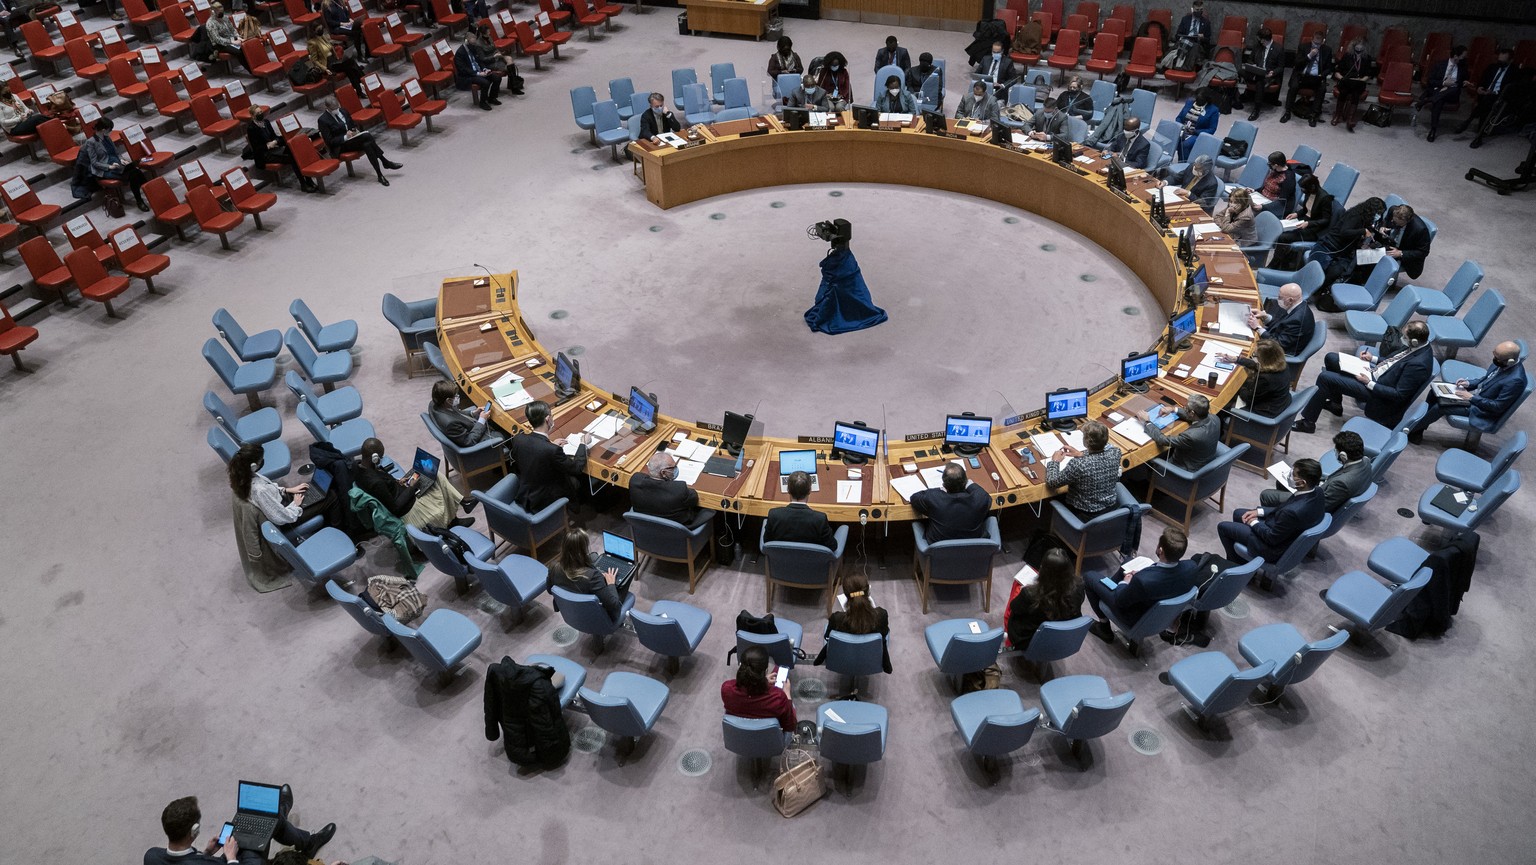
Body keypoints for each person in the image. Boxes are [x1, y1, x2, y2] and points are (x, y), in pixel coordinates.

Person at [1292, 319, 1434, 434]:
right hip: (1374, 374)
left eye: (1404, 337)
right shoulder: (1416, 346)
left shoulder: (1419, 365)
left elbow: (1398, 395)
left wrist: (1368, 383)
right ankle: (1335, 404)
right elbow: (1395, 362)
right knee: (1331, 358)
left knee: (1325, 378)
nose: (1402, 339)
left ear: (1414, 341)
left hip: (1378, 393)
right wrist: (1372, 359)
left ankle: (1308, 423)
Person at [144, 794, 335, 865]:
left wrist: (207, 852)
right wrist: (232, 857)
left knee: (263, 823)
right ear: (194, 830)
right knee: (266, 823)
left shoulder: (151, 856)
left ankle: (280, 813)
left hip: (214, 859)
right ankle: (285, 818)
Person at [1084, 527, 1200, 641]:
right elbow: (1164, 578)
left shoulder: (1142, 581)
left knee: (1089, 577)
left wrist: (1125, 582)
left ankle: (1104, 627)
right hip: (1160, 612)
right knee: (1128, 562)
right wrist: (1145, 573)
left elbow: (1120, 600)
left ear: (1160, 550)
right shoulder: (1192, 567)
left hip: (1135, 616)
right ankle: (1107, 588)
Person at [1408, 340, 1528, 444]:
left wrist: (1471, 397)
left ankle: (1411, 430)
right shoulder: (1503, 362)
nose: (1494, 360)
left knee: (1440, 406)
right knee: (1435, 391)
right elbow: (1487, 378)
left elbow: (1497, 407)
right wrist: (1469, 384)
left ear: (1511, 361)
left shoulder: (1515, 381)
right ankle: (1419, 429)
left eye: (1497, 358)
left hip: (1482, 410)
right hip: (1476, 396)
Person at [1218, 458, 1326, 563]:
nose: (1289, 475)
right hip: (1283, 530)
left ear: (1302, 483)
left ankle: (1236, 566)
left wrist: (1254, 522)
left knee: (1223, 527)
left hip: (1271, 547)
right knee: (1238, 513)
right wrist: (1259, 512)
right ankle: (1242, 559)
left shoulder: (1293, 512)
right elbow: (1284, 507)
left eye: (1293, 475)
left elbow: (1271, 538)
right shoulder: (1317, 491)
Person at [352, 437, 470, 531]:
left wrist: (398, 481)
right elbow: (396, 509)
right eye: (381, 457)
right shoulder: (375, 482)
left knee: (433, 474)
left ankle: (460, 507)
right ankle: (455, 517)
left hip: (401, 489)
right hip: (408, 509)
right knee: (435, 480)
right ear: (374, 458)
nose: (381, 460)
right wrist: (412, 487)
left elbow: (386, 485)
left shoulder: (359, 466)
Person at [507, 399, 591, 513]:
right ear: (547, 419)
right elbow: (576, 468)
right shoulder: (552, 450)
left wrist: (549, 445)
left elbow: (533, 451)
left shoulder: (518, 439)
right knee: (577, 480)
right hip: (545, 499)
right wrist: (583, 444)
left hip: (526, 492)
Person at [229, 441, 334, 530]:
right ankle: (336, 528)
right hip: (288, 516)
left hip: (283, 502)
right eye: (261, 460)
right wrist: (295, 504)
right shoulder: (259, 490)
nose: (263, 461)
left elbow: (269, 488)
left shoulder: (243, 475)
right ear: (253, 466)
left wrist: (288, 490)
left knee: (312, 491)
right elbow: (281, 518)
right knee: (331, 497)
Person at [1260, 431, 1371, 512]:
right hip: (1323, 489)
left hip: (1313, 502)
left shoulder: (1342, 483)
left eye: (1336, 450)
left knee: (1267, 495)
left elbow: (1318, 506)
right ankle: (1282, 512)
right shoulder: (1365, 461)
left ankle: (1277, 519)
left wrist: (1306, 490)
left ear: (1343, 456)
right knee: (1283, 481)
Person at [1006, 548, 1084, 649]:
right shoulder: (1079, 586)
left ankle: (1009, 645)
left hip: (1028, 640)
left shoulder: (1030, 593)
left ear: (1043, 570)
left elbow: (1014, 608)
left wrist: (1021, 591)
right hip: (1061, 638)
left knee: (1017, 587)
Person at [811, 572, 891, 672]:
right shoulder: (881, 615)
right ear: (868, 592)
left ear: (846, 595)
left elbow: (827, 637)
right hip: (870, 657)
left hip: (843, 657)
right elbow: (884, 634)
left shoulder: (836, 619)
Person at [316, 95, 401, 186]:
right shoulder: (323, 120)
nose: (336, 110)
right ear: (327, 107)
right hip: (340, 146)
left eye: (337, 107)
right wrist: (345, 137)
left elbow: (352, 125)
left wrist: (354, 131)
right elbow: (329, 141)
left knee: (367, 145)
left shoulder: (343, 111)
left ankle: (380, 175)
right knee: (367, 136)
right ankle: (385, 161)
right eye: (334, 108)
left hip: (354, 140)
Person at [547, 527, 627, 624]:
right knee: (624, 581)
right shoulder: (592, 577)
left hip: (572, 613)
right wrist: (611, 584)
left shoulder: (553, 567)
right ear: (582, 550)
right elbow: (613, 605)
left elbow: (550, 590)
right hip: (596, 618)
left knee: (594, 557)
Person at [1045, 419, 1121, 519]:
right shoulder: (1116, 452)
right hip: (1110, 506)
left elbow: (1052, 483)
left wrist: (1054, 462)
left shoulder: (1079, 464)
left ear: (1086, 441)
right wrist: (1081, 454)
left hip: (1085, 513)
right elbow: (1101, 453)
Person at [1307, 196, 1385, 288]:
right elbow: (1344, 232)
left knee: (1342, 270)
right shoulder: (1355, 215)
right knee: (1319, 275)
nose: (1378, 216)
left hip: (1341, 252)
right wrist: (1363, 231)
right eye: (1378, 213)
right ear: (1371, 210)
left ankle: (1321, 291)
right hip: (1328, 247)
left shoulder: (1365, 218)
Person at [721, 645, 796, 732]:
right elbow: (790, 726)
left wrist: (764, 681)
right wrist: (787, 694)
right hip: (768, 740)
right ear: (765, 671)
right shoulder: (778, 697)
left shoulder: (727, 689)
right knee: (790, 705)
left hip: (738, 738)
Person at [910, 461, 990, 542]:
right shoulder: (980, 498)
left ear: (944, 484)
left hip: (939, 548)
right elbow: (986, 498)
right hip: (976, 548)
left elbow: (914, 498)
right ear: (965, 482)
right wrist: (971, 485)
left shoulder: (934, 497)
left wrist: (940, 490)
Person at [630, 451, 712, 528]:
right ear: (663, 473)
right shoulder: (678, 490)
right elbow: (694, 498)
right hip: (677, 532)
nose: (675, 469)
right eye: (673, 468)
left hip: (645, 528)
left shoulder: (635, 481)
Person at [80, 118, 148, 212]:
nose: (111, 132)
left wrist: (121, 160)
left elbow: (116, 153)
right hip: (104, 169)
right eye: (110, 130)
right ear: (103, 130)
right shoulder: (90, 142)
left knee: (136, 171)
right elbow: (94, 163)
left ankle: (148, 192)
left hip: (117, 164)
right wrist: (109, 166)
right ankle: (141, 200)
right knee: (134, 174)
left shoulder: (107, 138)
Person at [245, 105, 317, 193]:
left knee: (296, 153)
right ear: (253, 116)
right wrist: (268, 146)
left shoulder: (266, 122)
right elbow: (256, 148)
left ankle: (309, 180)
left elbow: (274, 136)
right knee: (293, 158)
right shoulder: (251, 128)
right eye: (258, 113)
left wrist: (275, 141)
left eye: (261, 112)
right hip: (264, 155)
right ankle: (303, 184)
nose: (260, 114)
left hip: (275, 148)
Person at [1139, 393, 1219, 471]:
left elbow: (1162, 440)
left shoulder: (1192, 436)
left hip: (1186, 468)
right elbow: (1193, 417)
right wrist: (1173, 409)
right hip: (1202, 457)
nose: (1184, 408)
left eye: (1186, 408)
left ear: (1192, 413)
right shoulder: (1215, 419)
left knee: (1150, 459)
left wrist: (1147, 422)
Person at [1220, 338, 1292, 418]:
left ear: (1264, 359)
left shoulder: (1266, 379)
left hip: (1265, 412)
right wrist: (1237, 360)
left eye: (1254, 355)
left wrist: (1237, 386)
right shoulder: (1280, 364)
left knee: (1223, 405)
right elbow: (1257, 365)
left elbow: (1249, 399)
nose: (1253, 357)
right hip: (1279, 402)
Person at [1274, 173, 1334, 267]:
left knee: (1283, 237)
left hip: (1314, 228)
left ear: (1312, 186)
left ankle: (1276, 263)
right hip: (1303, 221)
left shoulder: (1325, 198)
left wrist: (1308, 224)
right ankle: (1281, 262)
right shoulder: (1308, 193)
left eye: (1304, 188)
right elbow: (1306, 209)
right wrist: (1296, 214)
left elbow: (1326, 220)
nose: (1302, 191)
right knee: (1280, 229)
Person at [764, 470, 835, 548]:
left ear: (788, 490)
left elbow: (767, 541)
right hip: (811, 559)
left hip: (780, 558)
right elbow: (832, 546)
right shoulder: (820, 519)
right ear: (809, 490)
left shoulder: (774, 515)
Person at [1462, 47, 1515, 145]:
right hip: (1486, 94)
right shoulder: (1492, 67)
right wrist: (1480, 88)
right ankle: (1479, 134)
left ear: (1510, 61)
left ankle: (1470, 122)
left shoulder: (1515, 72)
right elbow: (1482, 80)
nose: (1500, 64)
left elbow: (1512, 91)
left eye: (1503, 62)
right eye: (1499, 61)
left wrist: (1495, 93)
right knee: (1486, 101)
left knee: (1487, 101)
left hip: (1500, 97)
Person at [1367, 203, 1433, 281]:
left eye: (1396, 223)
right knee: (1364, 255)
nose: (1392, 222)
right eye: (1393, 220)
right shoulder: (1393, 210)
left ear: (1406, 221)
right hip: (1390, 244)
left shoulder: (1420, 230)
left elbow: (1423, 252)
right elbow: (1386, 221)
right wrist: (1382, 227)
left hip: (1404, 254)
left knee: (1370, 259)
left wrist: (1401, 253)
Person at [1282, 27, 1333, 126]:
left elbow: (1329, 68)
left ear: (1323, 41)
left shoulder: (1327, 50)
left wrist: (1321, 75)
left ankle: (1314, 114)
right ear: (1312, 38)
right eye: (1315, 40)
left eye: (1319, 41)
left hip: (1317, 77)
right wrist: (1309, 55)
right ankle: (1287, 111)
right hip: (1302, 75)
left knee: (1322, 89)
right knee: (1293, 87)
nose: (1317, 43)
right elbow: (1297, 63)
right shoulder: (1303, 47)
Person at [1247, 282, 1314, 357]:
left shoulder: (1297, 320)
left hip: (1281, 353)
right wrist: (1265, 316)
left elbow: (1277, 344)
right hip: (1280, 339)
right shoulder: (1298, 305)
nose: (1277, 299)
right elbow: (1283, 324)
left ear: (1290, 300)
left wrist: (1257, 327)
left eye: (1280, 297)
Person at [1420, 45, 1469, 142]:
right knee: (1439, 100)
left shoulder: (1463, 67)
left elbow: (1462, 82)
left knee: (1453, 89)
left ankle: (1427, 100)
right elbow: (1430, 81)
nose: (1464, 58)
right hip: (1440, 91)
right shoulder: (1440, 65)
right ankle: (1433, 129)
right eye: (1463, 56)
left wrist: (1464, 83)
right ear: (1455, 56)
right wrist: (1443, 83)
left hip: (1452, 94)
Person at [428, 379, 497, 447]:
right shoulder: (450, 424)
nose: (458, 396)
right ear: (448, 400)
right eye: (456, 395)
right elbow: (470, 441)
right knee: (503, 434)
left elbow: (456, 413)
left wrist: (473, 413)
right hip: (478, 439)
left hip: (466, 427)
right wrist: (482, 420)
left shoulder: (435, 403)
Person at [1331, 37, 1376, 131]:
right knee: (1343, 92)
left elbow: (1368, 74)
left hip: (1358, 83)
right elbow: (1337, 72)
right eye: (1357, 49)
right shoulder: (1347, 56)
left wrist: (1362, 80)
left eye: (1361, 49)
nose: (1358, 51)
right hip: (1346, 81)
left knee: (1355, 94)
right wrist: (1342, 78)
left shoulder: (1367, 58)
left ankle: (1350, 119)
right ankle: (1337, 115)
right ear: (1353, 47)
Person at [1237, 27, 1282, 121]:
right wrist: (1252, 65)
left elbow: (1280, 67)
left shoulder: (1279, 49)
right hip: (1256, 71)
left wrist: (1273, 72)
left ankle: (1256, 109)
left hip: (1268, 74)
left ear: (1265, 39)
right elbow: (1250, 59)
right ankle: (1240, 94)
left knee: (1260, 82)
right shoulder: (1258, 46)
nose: (1259, 41)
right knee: (1240, 70)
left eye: (1261, 39)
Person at [307, 25, 364, 98]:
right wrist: (325, 69)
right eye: (319, 29)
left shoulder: (323, 37)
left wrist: (337, 58)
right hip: (327, 65)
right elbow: (314, 60)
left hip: (334, 61)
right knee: (350, 64)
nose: (321, 30)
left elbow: (331, 49)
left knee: (349, 67)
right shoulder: (312, 43)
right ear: (314, 31)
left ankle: (359, 89)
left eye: (321, 28)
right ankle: (362, 79)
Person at [467, 25, 523, 97]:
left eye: (489, 32)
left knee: (509, 59)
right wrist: (493, 56)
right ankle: (514, 87)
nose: (489, 34)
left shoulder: (489, 38)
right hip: (490, 62)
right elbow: (483, 59)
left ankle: (513, 86)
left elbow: (494, 48)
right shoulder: (478, 44)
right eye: (487, 33)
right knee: (508, 67)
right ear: (482, 34)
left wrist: (498, 53)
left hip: (496, 57)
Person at [202, 3, 254, 72]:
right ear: (213, 12)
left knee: (247, 45)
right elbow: (217, 39)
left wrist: (238, 37)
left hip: (230, 39)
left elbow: (232, 29)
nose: (222, 13)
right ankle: (251, 70)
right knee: (239, 52)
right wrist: (232, 41)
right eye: (219, 12)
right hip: (219, 45)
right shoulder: (210, 23)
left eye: (222, 11)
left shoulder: (224, 17)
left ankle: (256, 64)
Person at [454, 35, 500, 111]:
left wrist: (485, 69)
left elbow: (479, 60)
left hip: (479, 71)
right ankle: (483, 102)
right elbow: (463, 69)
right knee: (485, 82)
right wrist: (478, 73)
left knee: (497, 77)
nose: (474, 46)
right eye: (473, 44)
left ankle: (492, 98)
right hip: (468, 76)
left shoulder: (473, 48)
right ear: (466, 42)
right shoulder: (460, 53)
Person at [1173, 87, 1218, 159]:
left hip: (1197, 134)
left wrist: (1196, 131)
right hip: (1183, 130)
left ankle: (1184, 165)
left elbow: (1212, 129)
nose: (1198, 100)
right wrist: (1180, 126)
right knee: (1170, 139)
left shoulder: (1213, 110)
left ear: (1207, 99)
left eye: (1201, 99)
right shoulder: (1189, 103)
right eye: (1197, 98)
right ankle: (1167, 162)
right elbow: (1179, 118)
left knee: (1185, 145)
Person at [1254, 150, 1296, 217]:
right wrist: (1254, 191)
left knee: (1249, 213)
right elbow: (1266, 186)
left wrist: (1263, 207)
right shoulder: (1275, 170)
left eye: (1270, 164)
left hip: (1276, 205)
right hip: (1263, 199)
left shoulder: (1288, 178)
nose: (1269, 165)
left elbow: (1282, 201)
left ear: (1276, 165)